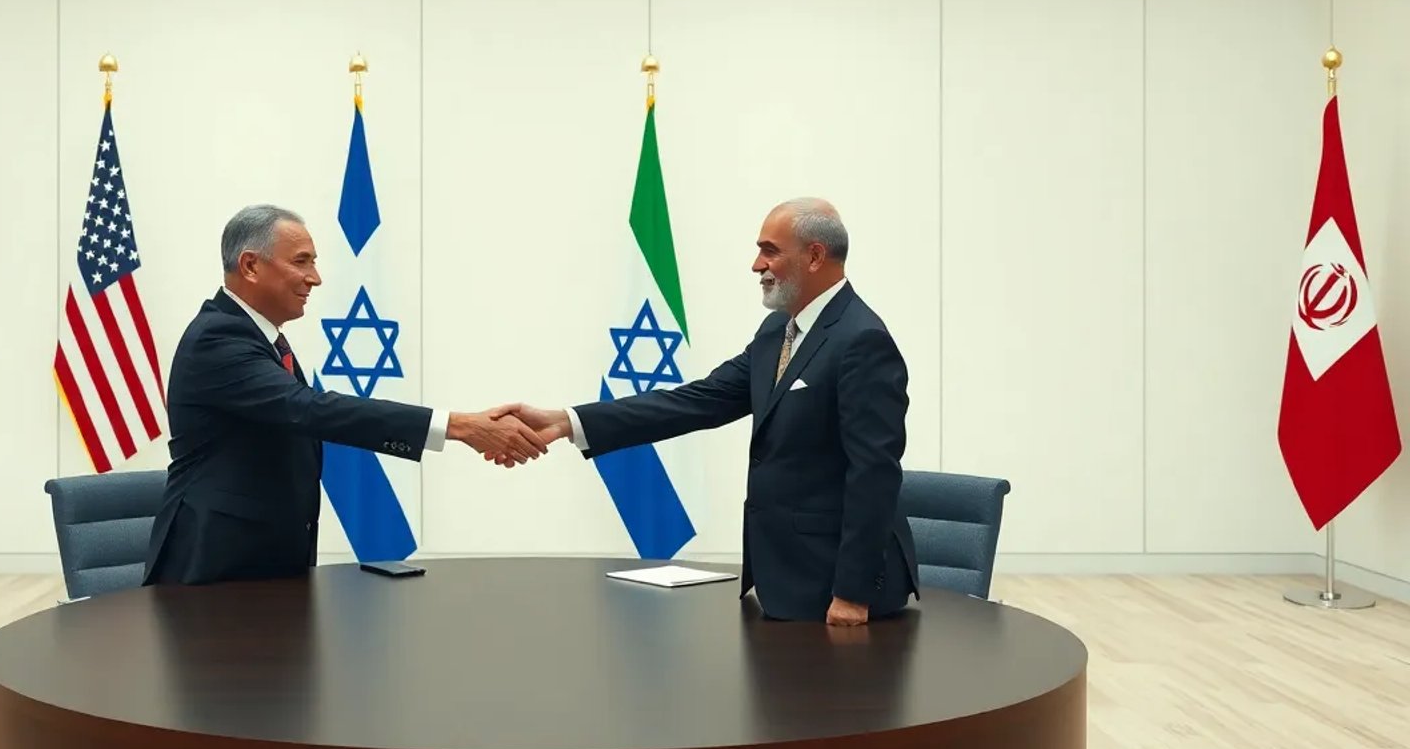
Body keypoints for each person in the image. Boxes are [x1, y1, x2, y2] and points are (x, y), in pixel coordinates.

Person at [506, 198, 918, 625]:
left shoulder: (862, 340)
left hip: (840, 596)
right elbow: (698, 401)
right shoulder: (778, 328)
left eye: (770, 250)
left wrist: (851, 594)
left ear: (814, 256)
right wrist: (568, 421)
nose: (757, 265)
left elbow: (874, 473)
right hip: (786, 586)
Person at [142, 203, 547, 585]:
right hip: (213, 577)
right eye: (301, 261)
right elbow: (308, 409)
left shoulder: (259, 339)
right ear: (250, 265)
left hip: (263, 569)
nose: (315, 278)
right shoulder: (218, 338)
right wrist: (457, 426)